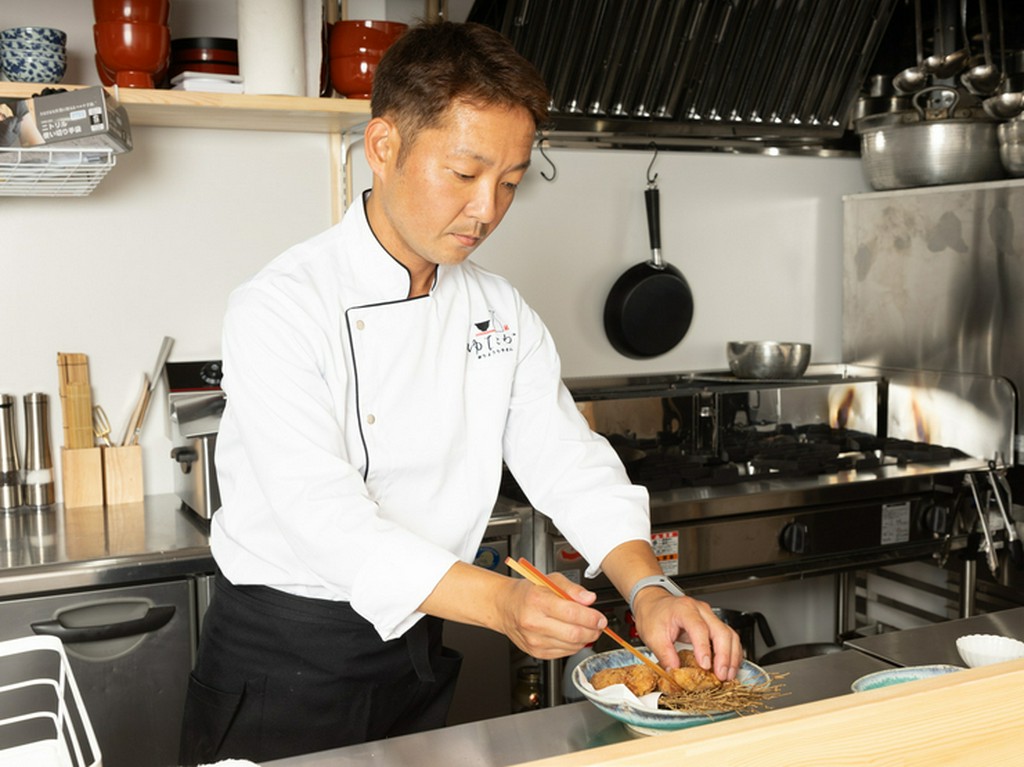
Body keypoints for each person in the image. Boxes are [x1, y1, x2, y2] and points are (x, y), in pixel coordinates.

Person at [178, 19, 742, 766]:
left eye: (510, 182)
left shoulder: (498, 309)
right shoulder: (280, 305)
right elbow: (324, 518)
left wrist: (650, 591)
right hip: (286, 661)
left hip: (420, 641)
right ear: (384, 146)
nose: (487, 210)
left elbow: (567, 461)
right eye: (466, 173)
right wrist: (501, 604)